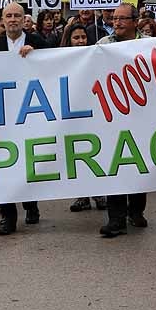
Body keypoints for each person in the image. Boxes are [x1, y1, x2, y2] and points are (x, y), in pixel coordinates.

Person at [0, 2, 47, 235]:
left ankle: (31, 205)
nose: (12, 19)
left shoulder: (38, 43)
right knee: (5, 164)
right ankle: (8, 216)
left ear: (24, 20)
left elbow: (55, 64)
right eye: (8, 15)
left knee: (28, 160)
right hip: (2, 115)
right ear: (2, 19)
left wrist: (36, 56)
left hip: (31, 112)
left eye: (17, 16)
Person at [96, 3, 149, 238]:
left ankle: (136, 211)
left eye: (122, 18)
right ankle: (115, 219)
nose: (116, 22)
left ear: (135, 21)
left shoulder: (148, 44)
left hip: (141, 112)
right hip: (112, 114)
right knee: (115, 165)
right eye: (114, 18)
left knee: (139, 163)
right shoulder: (101, 46)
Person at [59, 25, 108, 213]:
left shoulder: (94, 56)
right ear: (68, 40)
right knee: (77, 153)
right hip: (70, 113)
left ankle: (98, 193)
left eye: (83, 37)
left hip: (91, 110)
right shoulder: (59, 59)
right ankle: (82, 196)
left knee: (93, 152)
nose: (80, 41)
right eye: (76, 38)